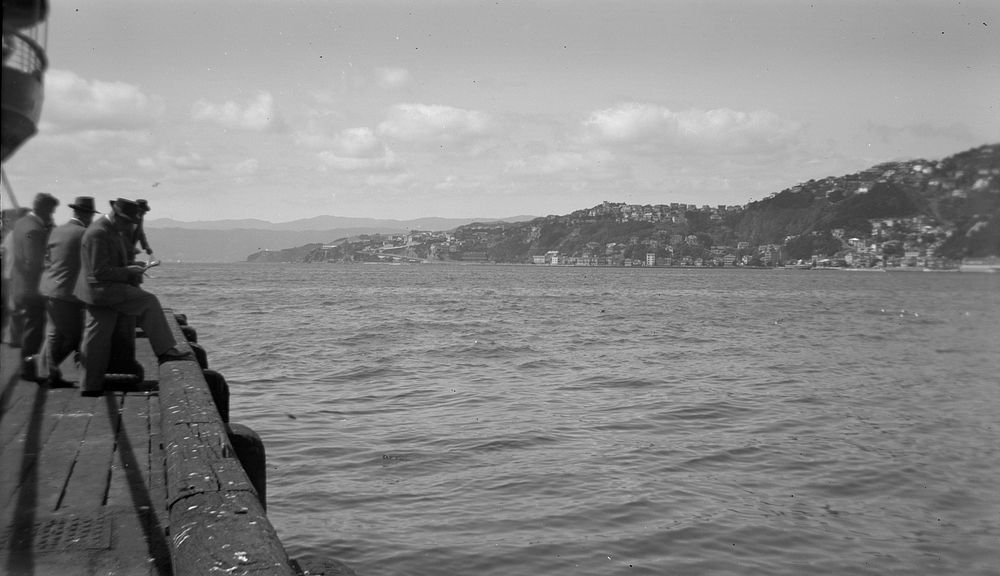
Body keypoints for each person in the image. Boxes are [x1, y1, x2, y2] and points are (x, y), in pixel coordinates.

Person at [75, 197, 190, 397]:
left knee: (96, 336)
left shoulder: (107, 229)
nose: (129, 226)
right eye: (127, 221)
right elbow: (99, 272)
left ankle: (90, 386)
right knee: (149, 302)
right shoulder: (98, 233)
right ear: (116, 216)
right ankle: (166, 350)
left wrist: (131, 265)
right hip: (103, 290)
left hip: (97, 291)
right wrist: (129, 271)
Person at [38, 196, 99, 388]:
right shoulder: (85, 234)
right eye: (90, 215)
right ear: (86, 215)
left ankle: (45, 373)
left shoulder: (57, 231)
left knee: (55, 333)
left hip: (49, 288)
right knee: (74, 336)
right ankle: (49, 372)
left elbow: (48, 259)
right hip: (66, 293)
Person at [11, 193, 59, 380]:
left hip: (21, 285)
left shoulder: (22, 223)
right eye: (50, 211)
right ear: (44, 209)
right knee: (35, 328)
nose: (52, 215)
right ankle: (29, 369)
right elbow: (34, 261)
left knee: (32, 326)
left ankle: (29, 366)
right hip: (33, 288)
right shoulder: (35, 229)